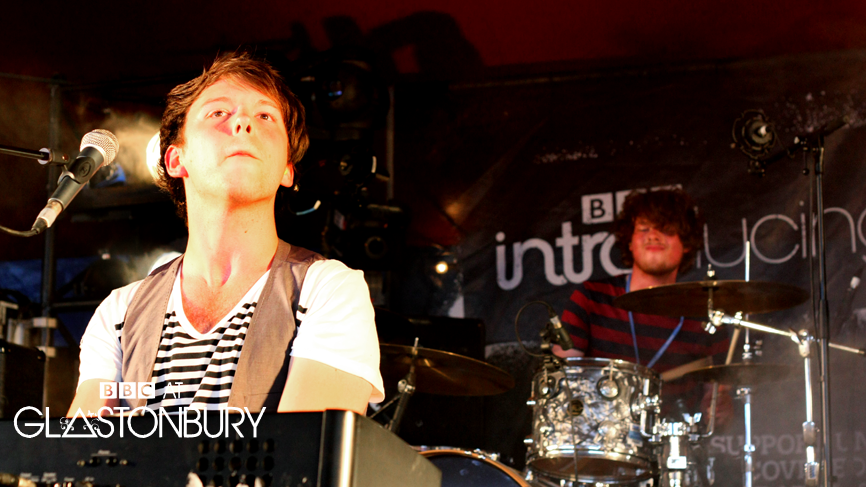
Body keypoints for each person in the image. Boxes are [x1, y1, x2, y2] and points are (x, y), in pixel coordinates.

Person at [68, 52, 383, 416]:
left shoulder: (328, 290)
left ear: (287, 169)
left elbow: (306, 447)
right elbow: (82, 445)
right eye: (218, 112)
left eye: (265, 116)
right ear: (175, 160)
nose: (243, 123)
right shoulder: (119, 313)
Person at [556, 188, 730, 416]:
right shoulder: (591, 298)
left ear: (686, 242)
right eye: (644, 228)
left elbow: (717, 405)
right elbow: (560, 385)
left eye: (666, 229)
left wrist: (718, 410)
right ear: (629, 241)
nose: (653, 236)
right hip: (599, 434)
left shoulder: (707, 317)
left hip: (674, 436)